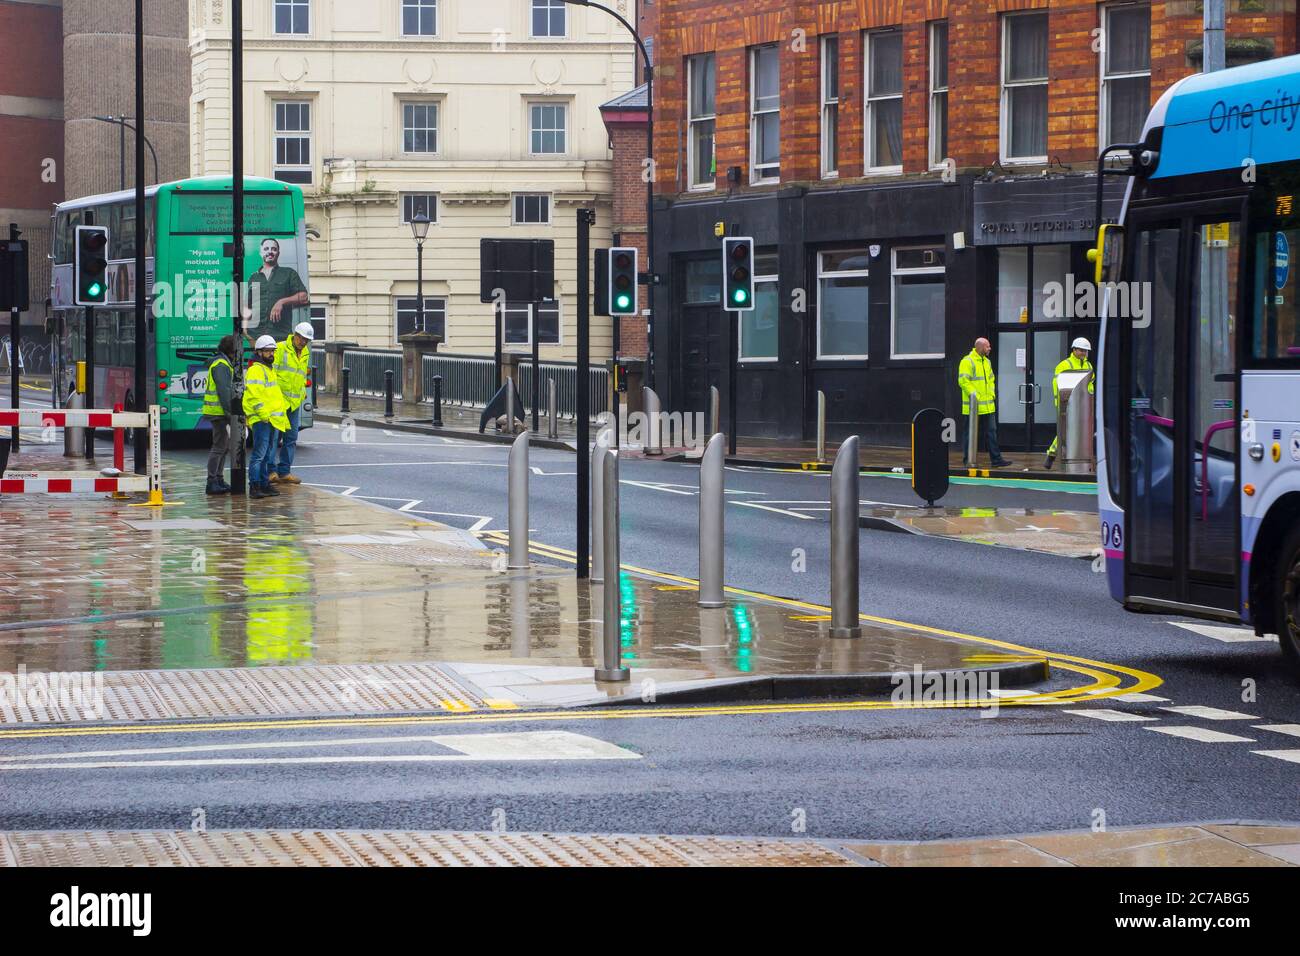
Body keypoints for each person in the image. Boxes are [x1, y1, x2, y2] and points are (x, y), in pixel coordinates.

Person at [242, 334, 290, 499]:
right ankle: (254, 486)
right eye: (268, 351)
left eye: (272, 351)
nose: (271, 354)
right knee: (259, 455)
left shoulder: (268, 369)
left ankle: (264, 484)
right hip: (263, 419)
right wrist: (264, 416)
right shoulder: (256, 370)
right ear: (259, 352)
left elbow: (272, 396)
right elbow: (254, 395)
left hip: (272, 419)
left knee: (267, 454)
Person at [958, 337, 1012, 468]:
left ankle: (996, 460)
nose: (990, 348)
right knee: (969, 435)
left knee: (992, 433)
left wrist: (992, 394)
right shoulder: (967, 361)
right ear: (981, 347)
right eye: (988, 346)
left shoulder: (987, 362)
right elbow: (963, 381)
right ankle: (968, 460)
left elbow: (991, 380)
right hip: (973, 407)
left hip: (988, 406)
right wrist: (974, 395)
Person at [271, 321, 313, 485]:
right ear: (295, 335)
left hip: (294, 403)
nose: (303, 342)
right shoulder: (280, 348)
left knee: (291, 438)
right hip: (279, 401)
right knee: (274, 438)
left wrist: (302, 393)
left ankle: (284, 472)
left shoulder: (305, 352)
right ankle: (270, 471)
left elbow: (301, 375)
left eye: (306, 340)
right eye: (302, 339)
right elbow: (272, 372)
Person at [1043, 337, 1095, 470]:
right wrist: (1060, 402)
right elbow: (1057, 385)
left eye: (1086, 351)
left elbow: (1090, 384)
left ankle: (1079, 458)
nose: (1084, 353)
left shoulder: (1088, 365)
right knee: (1065, 431)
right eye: (1081, 350)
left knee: (1080, 432)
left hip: (1084, 404)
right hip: (1068, 403)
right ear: (1074, 349)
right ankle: (1052, 455)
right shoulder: (1064, 365)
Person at [244, 238, 308, 342]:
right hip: (255, 338)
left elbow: (304, 296)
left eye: (273, 249)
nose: (270, 251)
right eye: (266, 249)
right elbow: (248, 306)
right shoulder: (253, 277)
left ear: (278, 253)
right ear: (261, 253)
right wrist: (245, 331)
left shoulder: (288, 273)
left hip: (280, 337)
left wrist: (281, 302)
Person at [201, 335, 238, 495]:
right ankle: (212, 481)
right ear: (232, 351)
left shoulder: (223, 363)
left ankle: (219, 479)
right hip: (219, 412)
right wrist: (231, 414)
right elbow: (224, 392)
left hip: (219, 412)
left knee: (223, 447)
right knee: (219, 447)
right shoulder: (222, 365)